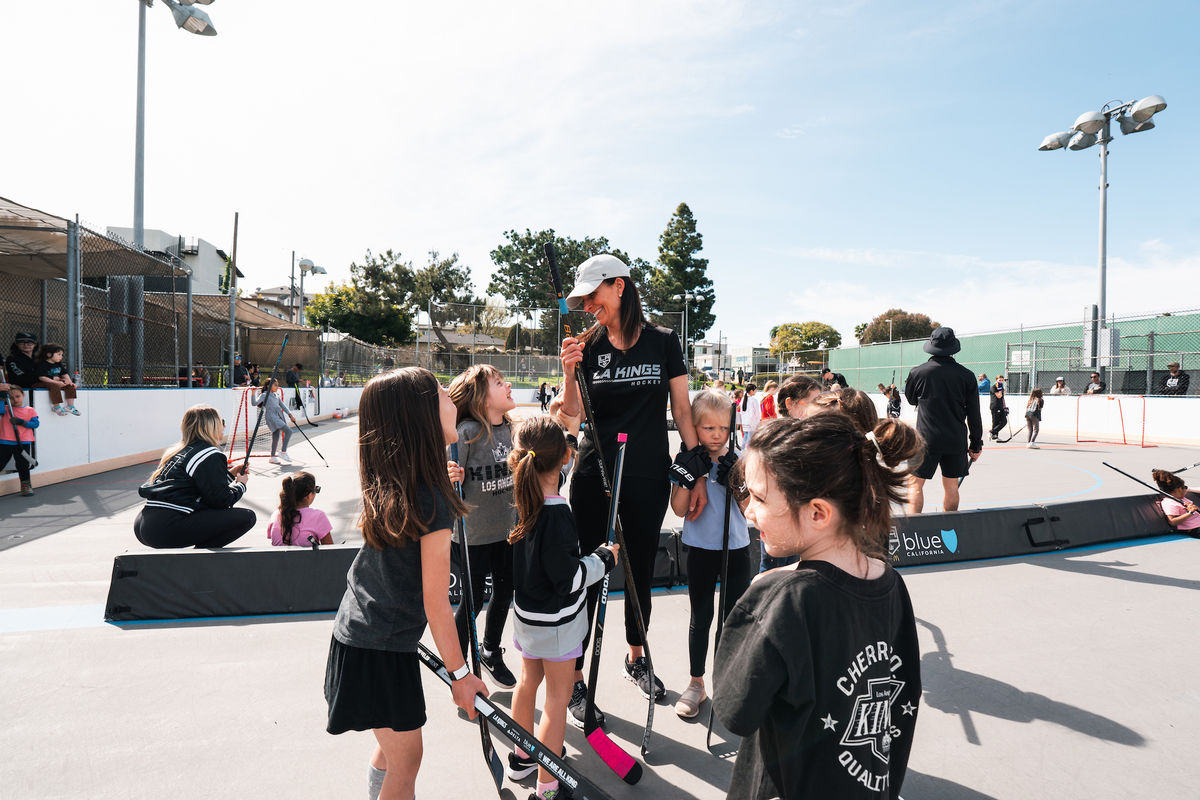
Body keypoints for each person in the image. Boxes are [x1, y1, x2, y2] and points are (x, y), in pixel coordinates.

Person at [713, 413, 924, 799]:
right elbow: (903, 699)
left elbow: (733, 709)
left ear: (818, 513)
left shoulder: (781, 597)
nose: (748, 509)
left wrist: (755, 606)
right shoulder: (891, 584)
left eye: (759, 497)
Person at [324, 368, 485, 800]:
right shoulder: (429, 497)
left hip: (360, 636)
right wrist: (461, 675)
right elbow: (437, 603)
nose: (453, 399)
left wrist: (439, 479)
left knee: (392, 748)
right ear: (421, 416)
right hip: (379, 648)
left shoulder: (402, 481)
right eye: (442, 395)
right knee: (407, 760)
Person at [559, 253, 707, 719]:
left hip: (646, 472)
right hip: (592, 473)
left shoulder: (663, 341)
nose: (586, 306)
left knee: (640, 565)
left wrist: (696, 464)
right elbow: (571, 414)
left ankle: (635, 656)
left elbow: (682, 410)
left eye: (592, 295)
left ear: (619, 287)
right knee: (585, 570)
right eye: (581, 300)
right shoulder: (586, 346)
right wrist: (568, 372)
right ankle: (575, 678)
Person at [506, 416, 619, 799]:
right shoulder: (558, 515)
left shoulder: (522, 500)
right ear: (566, 459)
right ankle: (548, 785)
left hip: (527, 618)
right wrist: (602, 560)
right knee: (556, 699)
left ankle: (522, 756)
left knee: (527, 683)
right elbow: (570, 579)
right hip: (556, 624)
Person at [671, 390, 750, 719]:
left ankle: (729, 682)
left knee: (732, 620)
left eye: (723, 428)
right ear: (694, 428)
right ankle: (696, 683)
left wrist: (739, 482)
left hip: (737, 549)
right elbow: (677, 509)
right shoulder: (688, 459)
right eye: (708, 429)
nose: (717, 435)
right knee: (701, 618)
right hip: (701, 549)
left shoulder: (741, 456)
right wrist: (688, 478)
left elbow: (751, 509)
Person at [446, 364, 519, 690]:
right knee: (472, 603)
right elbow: (445, 480)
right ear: (480, 397)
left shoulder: (513, 430)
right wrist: (450, 478)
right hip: (473, 536)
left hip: (508, 532)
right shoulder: (466, 434)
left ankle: (490, 650)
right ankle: (458, 672)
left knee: (505, 592)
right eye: (500, 382)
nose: (508, 385)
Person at [134, 405, 255, 548]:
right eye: (221, 422)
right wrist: (241, 485)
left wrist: (230, 474)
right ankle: (197, 558)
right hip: (167, 526)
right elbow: (221, 501)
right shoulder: (210, 454)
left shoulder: (180, 451)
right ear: (212, 426)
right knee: (247, 517)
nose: (224, 426)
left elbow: (198, 487)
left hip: (146, 523)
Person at [904, 327, 983, 514]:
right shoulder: (967, 376)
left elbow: (911, 399)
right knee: (951, 486)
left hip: (925, 438)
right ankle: (950, 527)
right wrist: (976, 444)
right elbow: (974, 413)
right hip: (955, 439)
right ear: (953, 348)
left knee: (915, 484)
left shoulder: (918, 373)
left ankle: (913, 532)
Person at [267, 471, 333, 546]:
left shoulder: (276, 515)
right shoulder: (318, 516)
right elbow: (330, 551)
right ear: (308, 495)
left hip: (278, 558)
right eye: (316, 490)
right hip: (307, 558)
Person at [0, 387, 39, 497]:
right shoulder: (6, 409)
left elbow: (35, 424)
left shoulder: (29, 410)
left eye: (17, 396)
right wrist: (1, 398)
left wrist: (21, 422)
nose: (15, 400)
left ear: (23, 395)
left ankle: (26, 486)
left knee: (23, 465)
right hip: (5, 441)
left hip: (23, 442)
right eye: (11, 398)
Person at [254, 378, 298, 465]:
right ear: (268, 386)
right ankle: (283, 452)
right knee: (289, 431)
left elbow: (283, 406)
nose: (277, 387)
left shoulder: (276, 395)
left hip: (277, 416)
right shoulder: (264, 395)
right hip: (271, 417)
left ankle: (272, 457)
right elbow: (254, 403)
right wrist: (252, 393)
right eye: (275, 385)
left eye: (277, 385)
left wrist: (290, 415)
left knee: (276, 436)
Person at [34, 343, 79, 417]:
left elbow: (65, 374)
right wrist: (56, 382)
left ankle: (70, 406)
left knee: (70, 386)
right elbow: (42, 377)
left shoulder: (58, 364)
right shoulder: (42, 364)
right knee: (54, 385)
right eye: (59, 354)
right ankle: (56, 407)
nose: (61, 357)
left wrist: (70, 382)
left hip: (56, 382)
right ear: (49, 354)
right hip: (43, 383)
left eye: (62, 355)